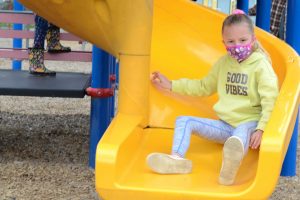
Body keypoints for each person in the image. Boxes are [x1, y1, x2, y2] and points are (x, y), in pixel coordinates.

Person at [146, 9, 279, 186]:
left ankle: (229, 169)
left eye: (242, 40)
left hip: (249, 122)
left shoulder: (260, 65)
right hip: (225, 125)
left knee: (238, 137)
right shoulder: (223, 63)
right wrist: (171, 84)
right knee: (184, 121)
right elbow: (203, 86)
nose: (237, 45)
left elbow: (270, 98)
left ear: (253, 40)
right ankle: (177, 159)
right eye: (231, 41)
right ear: (223, 42)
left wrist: (262, 128)